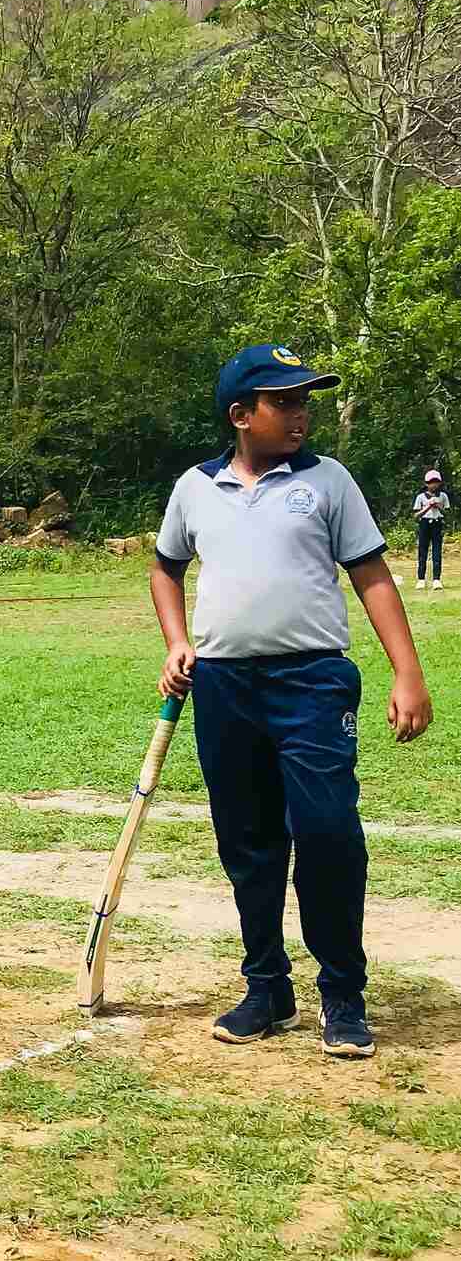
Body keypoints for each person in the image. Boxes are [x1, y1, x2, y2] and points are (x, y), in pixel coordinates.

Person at [151, 344, 432, 1060]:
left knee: (327, 830)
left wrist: (407, 674)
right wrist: (176, 641)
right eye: (284, 401)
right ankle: (266, 988)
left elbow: (370, 576)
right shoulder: (194, 487)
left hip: (311, 682)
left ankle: (341, 992)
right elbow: (165, 568)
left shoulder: (327, 481)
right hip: (222, 687)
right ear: (240, 415)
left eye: (305, 399)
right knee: (246, 843)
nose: (300, 412)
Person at [413, 468, 449, 590]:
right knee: (422, 551)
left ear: (439, 483)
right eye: (431, 482)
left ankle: (436, 579)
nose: (433, 485)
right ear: (426, 484)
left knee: (437, 552)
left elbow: (447, 513)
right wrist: (428, 507)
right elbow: (416, 515)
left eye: (436, 482)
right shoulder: (421, 497)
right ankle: (421, 579)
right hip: (424, 524)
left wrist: (438, 506)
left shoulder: (443, 496)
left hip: (437, 524)